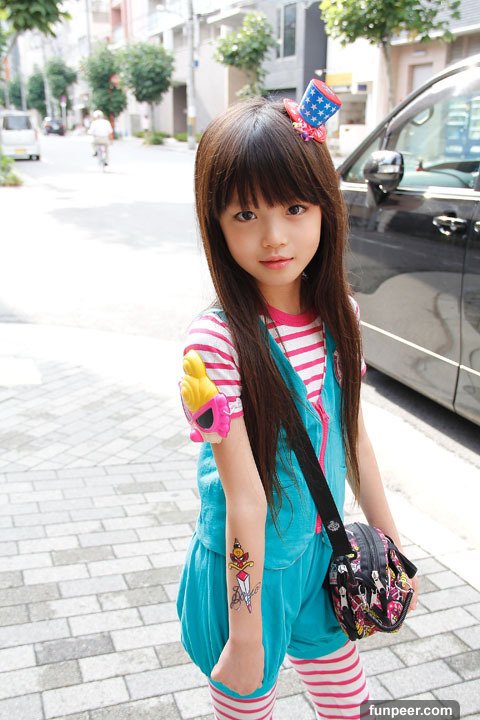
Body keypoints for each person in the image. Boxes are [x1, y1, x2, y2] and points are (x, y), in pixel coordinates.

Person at [177, 79, 419, 720]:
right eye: (245, 215)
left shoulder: (341, 317)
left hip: (323, 556)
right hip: (245, 579)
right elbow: (245, 501)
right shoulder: (214, 345)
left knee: (350, 705)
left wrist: (394, 554)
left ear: (324, 209)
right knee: (247, 707)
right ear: (216, 224)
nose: (274, 237)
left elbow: (356, 438)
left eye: (293, 207)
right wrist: (245, 632)